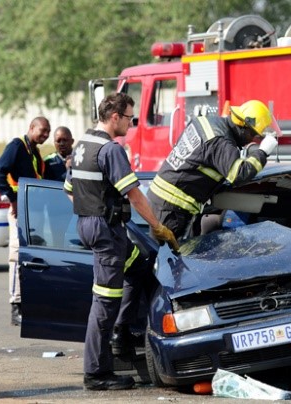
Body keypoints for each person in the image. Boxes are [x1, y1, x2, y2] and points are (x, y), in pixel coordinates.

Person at [63, 92, 178, 391]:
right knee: (104, 303)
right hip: (106, 232)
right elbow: (135, 194)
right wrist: (157, 227)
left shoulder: (83, 145)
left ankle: (120, 331)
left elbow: (69, 190)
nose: (132, 123)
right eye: (129, 117)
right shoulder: (111, 150)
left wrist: (91, 209)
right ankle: (97, 372)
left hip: (89, 225)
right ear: (114, 117)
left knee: (138, 266)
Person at [147, 99, 279, 240]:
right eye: (252, 134)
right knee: (171, 258)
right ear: (243, 125)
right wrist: (262, 152)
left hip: (164, 199)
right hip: (173, 206)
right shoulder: (220, 141)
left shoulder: (207, 123)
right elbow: (239, 174)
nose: (251, 139)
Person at [0, 116, 51, 326]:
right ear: (31, 127)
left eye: (47, 132)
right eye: (42, 130)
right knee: (17, 256)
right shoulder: (17, 146)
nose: (45, 135)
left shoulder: (34, 151)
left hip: (33, 212)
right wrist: (13, 199)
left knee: (32, 258)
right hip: (20, 211)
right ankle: (16, 307)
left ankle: (30, 304)